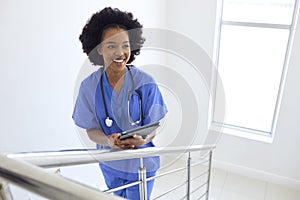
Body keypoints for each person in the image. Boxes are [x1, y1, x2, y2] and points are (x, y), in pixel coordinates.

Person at [72, 7, 168, 200]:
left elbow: (154, 126)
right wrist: (108, 141)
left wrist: (144, 139)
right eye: (111, 46)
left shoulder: (145, 82)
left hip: (141, 163)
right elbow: (91, 131)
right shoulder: (89, 87)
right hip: (110, 163)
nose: (120, 52)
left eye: (125, 45)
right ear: (99, 49)